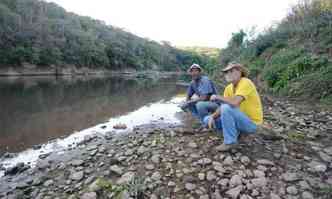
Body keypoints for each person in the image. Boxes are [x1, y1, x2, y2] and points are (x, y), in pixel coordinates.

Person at [203, 62, 263, 151]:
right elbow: (222, 107)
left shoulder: (246, 82)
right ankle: (235, 132)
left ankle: (230, 142)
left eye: (231, 71)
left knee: (226, 108)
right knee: (207, 119)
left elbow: (234, 102)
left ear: (240, 71)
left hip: (251, 124)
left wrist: (217, 96)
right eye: (226, 72)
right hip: (238, 120)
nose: (228, 74)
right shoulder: (228, 88)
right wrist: (212, 116)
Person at [180, 63, 219, 129]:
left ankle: (206, 124)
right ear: (190, 73)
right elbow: (188, 95)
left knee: (199, 104)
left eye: (196, 71)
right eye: (192, 71)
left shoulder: (205, 80)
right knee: (188, 104)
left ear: (200, 72)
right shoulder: (192, 82)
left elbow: (204, 98)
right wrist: (185, 103)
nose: (194, 73)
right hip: (205, 103)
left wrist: (189, 102)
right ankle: (202, 120)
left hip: (215, 104)